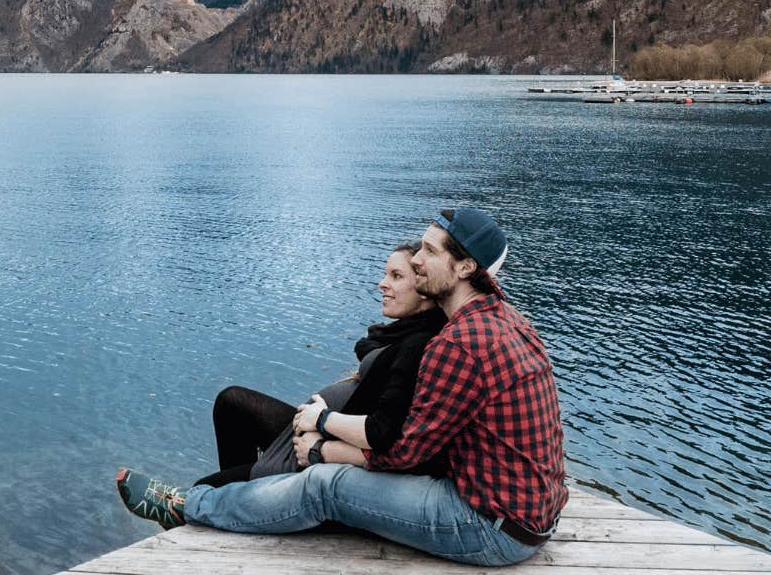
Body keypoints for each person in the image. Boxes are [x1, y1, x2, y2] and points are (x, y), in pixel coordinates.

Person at [116, 208, 567, 568]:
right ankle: (218, 507)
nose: (416, 260)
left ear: (466, 266)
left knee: (325, 487)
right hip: (524, 513)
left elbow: (403, 451)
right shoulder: (504, 319)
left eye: (429, 251)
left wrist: (321, 447)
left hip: (487, 527)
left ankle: (186, 506)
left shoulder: (461, 343)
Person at [197, 241, 447, 488]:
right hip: (322, 433)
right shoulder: (402, 334)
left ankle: (244, 495)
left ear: (425, 287)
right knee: (231, 403)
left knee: (203, 489)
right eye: (385, 274)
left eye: (396, 276)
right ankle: (241, 497)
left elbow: (384, 431)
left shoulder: (418, 345)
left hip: (324, 448)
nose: (382, 284)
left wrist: (321, 427)